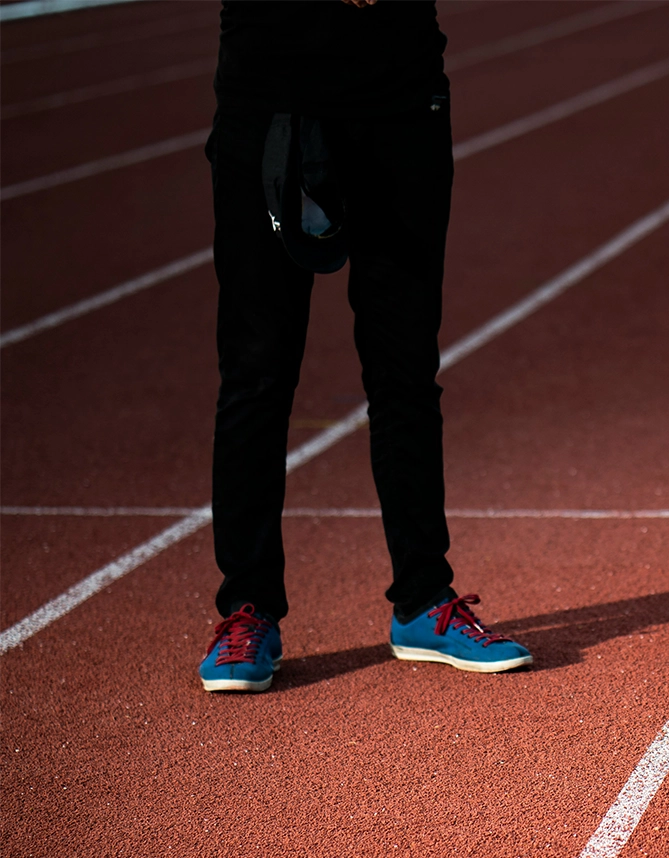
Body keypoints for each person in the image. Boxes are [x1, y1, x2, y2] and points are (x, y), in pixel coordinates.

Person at [197, 0, 530, 693]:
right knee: (257, 368)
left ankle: (423, 599)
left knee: (404, 364)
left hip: (398, 98)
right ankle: (246, 610)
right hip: (271, 90)